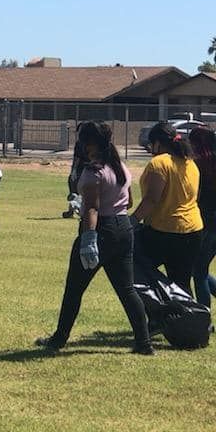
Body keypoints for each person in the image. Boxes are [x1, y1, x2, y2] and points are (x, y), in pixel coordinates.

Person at [36, 121, 152, 354]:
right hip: (123, 228)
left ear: (89, 143)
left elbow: (91, 208)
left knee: (74, 289)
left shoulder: (93, 172)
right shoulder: (120, 166)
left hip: (100, 229)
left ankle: (59, 339)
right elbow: (128, 201)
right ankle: (144, 343)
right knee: (127, 290)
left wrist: (89, 239)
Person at [131, 122, 203, 294]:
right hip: (193, 229)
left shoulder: (159, 163)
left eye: (151, 144)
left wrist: (132, 220)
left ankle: (160, 303)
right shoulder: (190, 162)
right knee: (182, 285)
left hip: (166, 230)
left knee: (133, 265)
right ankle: (192, 319)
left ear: (157, 142)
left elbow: (152, 199)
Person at [189, 127, 216, 308]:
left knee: (198, 271)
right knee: (200, 268)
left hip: (207, 221)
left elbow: (194, 196)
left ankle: (204, 317)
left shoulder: (198, 164)